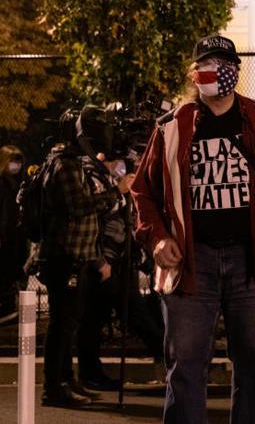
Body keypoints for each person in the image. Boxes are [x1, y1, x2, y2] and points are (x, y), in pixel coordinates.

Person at [131, 35, 255, 423]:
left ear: (236, 72)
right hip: (192, 265)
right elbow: (142, 192)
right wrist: (157, 238)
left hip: (252, 261)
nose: (218, 72)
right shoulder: (170, 128)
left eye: (226, 64)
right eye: (209, 64)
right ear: (195, 74)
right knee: (187, 365)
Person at [38, 107, 120, 407]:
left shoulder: (67, 162)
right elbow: (80, 206)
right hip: (65, 256)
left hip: (75, 255)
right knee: (62, 324)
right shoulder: (66, 166)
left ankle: (66, 381)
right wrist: (116, 193)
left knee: (68, 322)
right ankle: (54, 387)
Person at [76, 152, 164, 391]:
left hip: (120, 258)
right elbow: (91, 216)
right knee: (101, 318)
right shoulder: (90, 173)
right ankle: (169, 357)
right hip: (104, 259)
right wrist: (120, 190)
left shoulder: (109, 176)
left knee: (115, 314)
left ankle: (89, 373)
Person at [0, 145, 27, 324]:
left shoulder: (18, 184)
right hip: (5, 238)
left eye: (18, 161)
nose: (16, 165)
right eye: (13, 160)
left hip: (15, 238)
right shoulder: (3, 184)